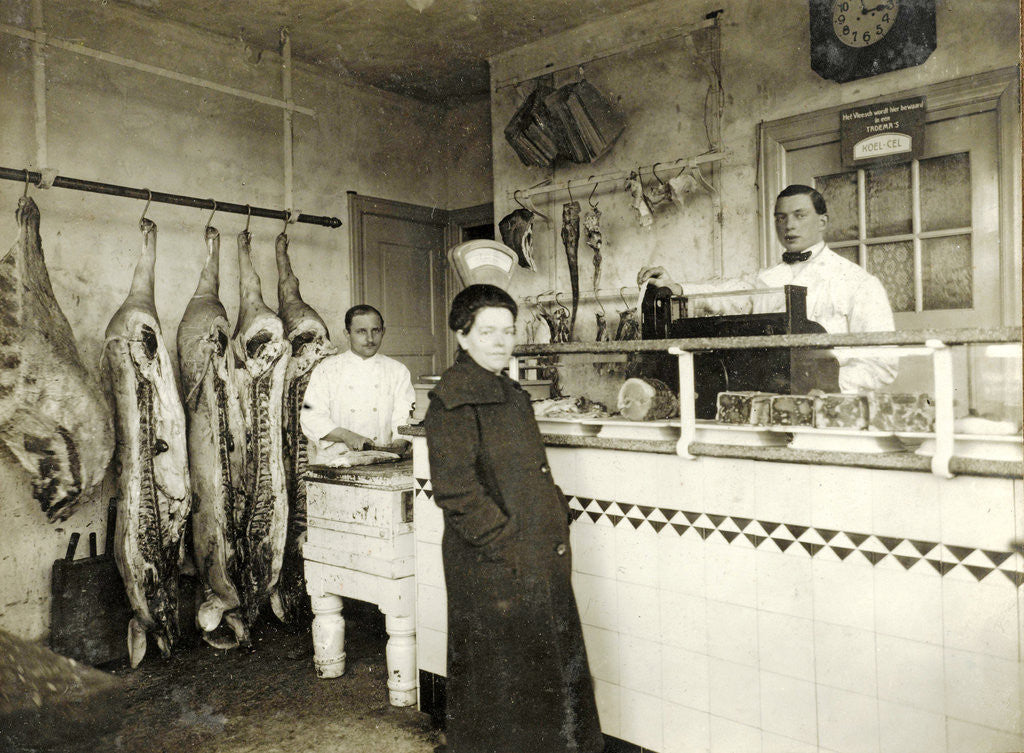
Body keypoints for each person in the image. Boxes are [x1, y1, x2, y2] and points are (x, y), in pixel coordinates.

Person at [423, 284, 603, 753]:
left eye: (508, 330)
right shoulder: (453, 399)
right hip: (494, 564)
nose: (502, 342)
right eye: (488, 332)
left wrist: (553, 511)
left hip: (531, 554)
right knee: (499, 683)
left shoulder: (508, 391)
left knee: (538, 675)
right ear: (463, 336)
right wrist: (509, 547)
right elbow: (457, 492)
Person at [638, 184, 897, 392]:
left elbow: (883, 364)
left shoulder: (859, 282)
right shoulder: (765, 279)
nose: (789, 225)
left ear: (822, 222)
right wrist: (678, 288)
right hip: (768, 398)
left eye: (800, 215)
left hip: (833, 406)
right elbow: (726, 296)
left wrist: (827, 385)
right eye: (781, 218)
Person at [300, 304, 415, 463]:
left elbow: (404, 416)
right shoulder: (326, 370)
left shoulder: (398, 371)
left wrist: (399, 443)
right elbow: (310, 416)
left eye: (375, 330)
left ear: (383, 331)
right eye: (361, 331)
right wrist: (346, 436)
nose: (370, 339)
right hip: (335, 462)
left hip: (383, 461)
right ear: (347, 334)